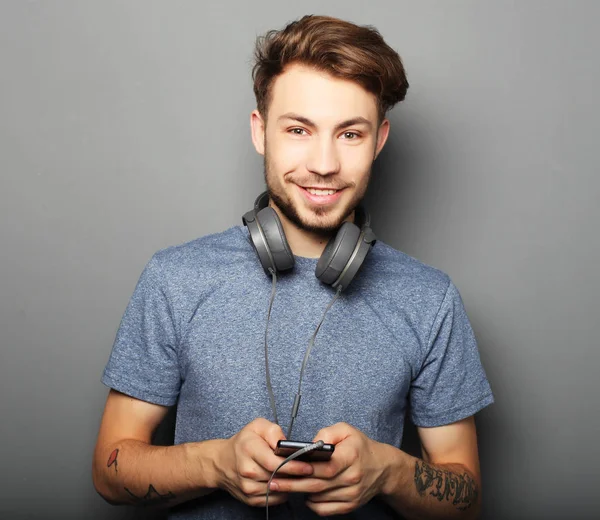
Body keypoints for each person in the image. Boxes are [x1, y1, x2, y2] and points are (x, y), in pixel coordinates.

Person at [92, 14, 494, 520]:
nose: (323, 163)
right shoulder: (175, 279)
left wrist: (388, 472)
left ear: (380, 140)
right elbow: (109, 468)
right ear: (261, 131)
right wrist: (215, 463)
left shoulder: (431, 299)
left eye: (350, 134)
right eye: (299, 129)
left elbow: (467, 496)